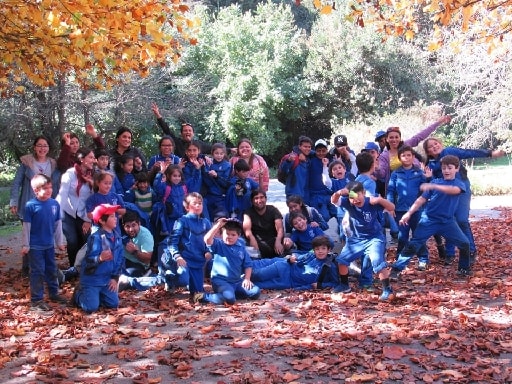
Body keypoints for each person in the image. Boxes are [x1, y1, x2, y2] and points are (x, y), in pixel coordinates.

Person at [422, 137, 505, 264]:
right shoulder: (431, 164)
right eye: (430, 146)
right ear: (428, 152)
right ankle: (450, 253)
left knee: (461, 220)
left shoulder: (450, 151)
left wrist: (490, 153)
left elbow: (469, 152)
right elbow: (433, 184)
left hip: (461, 188)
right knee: (449, 220)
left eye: (436, 143)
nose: (434, 146)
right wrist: (428, 178)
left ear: (440, 143)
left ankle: (470, 250)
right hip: (446, 193)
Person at [390, 155, 472, 277]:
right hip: (429, 220)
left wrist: (433, 186)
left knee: (465, 244)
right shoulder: (435, 181)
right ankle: (396, 270)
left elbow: (453, 190)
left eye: (450, 168)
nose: (446, 171)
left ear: (457, 168)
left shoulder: (459, 184)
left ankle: (463, 269)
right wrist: (409, 213)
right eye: (444, 168)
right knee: (414, 244)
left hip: (448, 222)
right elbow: (421, 199)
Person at [331, 181, 396, 301]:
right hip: (355, 239)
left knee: (377, 261)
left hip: (374, 238)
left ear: (364, 193)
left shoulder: (371, 202)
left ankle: (387, 289)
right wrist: (339, 192)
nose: (355, 200)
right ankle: (344, 285)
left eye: (358, 196)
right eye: (352, 197)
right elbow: (334, 200)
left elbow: (392, 207)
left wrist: (379, 200)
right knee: (342, 261)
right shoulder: (347, 203)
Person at [10, 136, 60, 276]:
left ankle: (41, 268)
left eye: (45, 145)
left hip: (46, 207)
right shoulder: (26, 162)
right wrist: (13, 201)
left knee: (43, 237)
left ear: (49, 148)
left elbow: (55, 185)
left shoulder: (53, 164)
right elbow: (16, 183)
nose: (42, 148)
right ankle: (27, 269)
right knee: (30, 237)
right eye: (39, 145)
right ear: (34, 147)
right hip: (28, 205)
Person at [22, 174, 67, 313]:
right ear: (36, 190)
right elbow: (26, 227)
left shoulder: (54, 204)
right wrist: (26, 245)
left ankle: (54, 293)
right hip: (35, 246)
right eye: (44, 188)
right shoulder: (30, 206)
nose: (48, 190)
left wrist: (59, 242)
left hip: (49, 245)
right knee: (38, 272)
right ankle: (36, 300)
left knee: (51, 269)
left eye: (50, 187)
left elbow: (57, 224)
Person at [194, 218, 260, 305]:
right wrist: (218, 225)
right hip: (220, 281)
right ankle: (204, 296)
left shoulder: (241, 247)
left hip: (237, 281)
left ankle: (230, 293)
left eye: (233, 235)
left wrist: (247, 279)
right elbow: (207, 239)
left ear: (238, 236)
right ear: (222, 234)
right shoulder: (218, 244)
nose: (229, 237)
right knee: (229, 299)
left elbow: (248, 265)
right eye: (227, 234)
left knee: (255, 292)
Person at [374, 115, 451, 190]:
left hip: (417, 182)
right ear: (386, 139)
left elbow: (421, 135)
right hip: (399, 188)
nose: (394, 140)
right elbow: (382, 175)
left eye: (396, 137)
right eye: (391, 137)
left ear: (400, 138)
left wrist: (438, 122)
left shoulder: (406, 145)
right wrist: (377, 168)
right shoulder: (384, 156)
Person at [72, 204, 124, 313]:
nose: (115, 218)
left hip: (106, 279)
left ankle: (96, 295)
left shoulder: (117, 237)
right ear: (102, 221)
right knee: (91, 308)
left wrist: (115, 278)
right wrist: (99, 258)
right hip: (92, 279)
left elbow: (120, 260)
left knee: (113, 303)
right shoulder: (95, 238)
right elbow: (88, 261)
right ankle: (78, 295)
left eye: (115, 216)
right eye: (111, 216)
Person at [161, 192, 212, 298]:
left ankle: (191, 283)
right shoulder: (182, 221)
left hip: (198, 261)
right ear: (187, 206)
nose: (198, 205)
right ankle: (170, 279)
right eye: (194, 203)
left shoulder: (206, 222)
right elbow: (172, 241)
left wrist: (208, 251)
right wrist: (177, 256)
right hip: (184, 259)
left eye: (200, 203)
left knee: (197, 294)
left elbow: (209, 241)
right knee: (183, 279)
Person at [386, 146, 429, 269]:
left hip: (416, 210)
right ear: (400, 158)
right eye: (403, 155)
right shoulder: (396, 174)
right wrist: (390, 206)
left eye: (409, 155)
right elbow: (390, 190)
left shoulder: (419, 173)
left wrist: (427, 177)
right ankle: (400, 258)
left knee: (418, 235)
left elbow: (425, 189)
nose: (406, 157)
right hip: (400, 210)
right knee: (402, 235)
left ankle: (423, 258)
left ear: (413, 157)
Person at [251, 235, 339, 290]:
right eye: (317, 249)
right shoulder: (311, 256)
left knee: (258, 285)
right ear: (314, 250)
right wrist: (291, 259)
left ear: (329, 250)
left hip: (289, 283)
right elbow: (297, 260)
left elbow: (335, 283)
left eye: (323, 248)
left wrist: (320, 285)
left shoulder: (329, 266)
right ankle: (240, 271)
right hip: (284, 268)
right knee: (258, 275)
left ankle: (237, 284)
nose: (320, 251)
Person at [56, 147, 96, 267]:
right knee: (72, 241)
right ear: (82, 159)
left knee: (87, 240)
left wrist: (88, 220)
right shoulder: (69, 174)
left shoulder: (94, 175)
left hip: (85, 214)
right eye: (91, 157)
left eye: (94, 158)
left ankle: (85, 267)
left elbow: (95, 199)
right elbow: (62, 195)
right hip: (69, 212)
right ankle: (73, 268)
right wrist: (55, 215)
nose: (94, 160)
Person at [243, 189, 288, 259]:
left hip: (274, 241)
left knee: (288, 242)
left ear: (266, 199)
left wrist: (278, 241)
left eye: (261, 197)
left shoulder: (273, 210)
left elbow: (280, 229)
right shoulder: (248, 212)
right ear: (252, 201)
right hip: (257, 242)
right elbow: (247, 230)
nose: (259, 201)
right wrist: (252, 239)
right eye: (256, 198)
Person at [308, 139, 336, 222]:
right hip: (315, 195)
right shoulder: (311, 160)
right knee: (324, 217)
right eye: (318, 151)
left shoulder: (331, 161)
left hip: (328, 193)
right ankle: (318, 232)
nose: (321, 153)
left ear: (327, 150)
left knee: (337, 213)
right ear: (315, 151)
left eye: (323, 151)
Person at [120, 210, 154, 279]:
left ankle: (146, 274)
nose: (131, 229)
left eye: (133, 225)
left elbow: (147, 259)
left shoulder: (145, 235)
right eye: (127, 226)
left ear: (139, 224)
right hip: (122, 260)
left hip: (138, 264)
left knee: (129, 274)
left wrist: (135, 252)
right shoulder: (119, 231)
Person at [203, 143, 231, 221]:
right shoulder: (208, 163)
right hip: (208, 196)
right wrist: (203, 156)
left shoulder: (227, 165)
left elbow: (226, 183)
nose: (219, 156)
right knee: (208, 219)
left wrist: (216, 176)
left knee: (221, 218)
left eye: (221, 153)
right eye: (216, 153)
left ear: (224, 154)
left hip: (220, 197)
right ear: (212, 153)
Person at [281, 135, 314, 201]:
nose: (307, 149)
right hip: (293, 195)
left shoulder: (309, 157)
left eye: (309, 147)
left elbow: (318, 153)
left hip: (305, 195)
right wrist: (289, 160)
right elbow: (284, 169)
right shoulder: (293, 157)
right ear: (299, 147)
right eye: (305, 146)